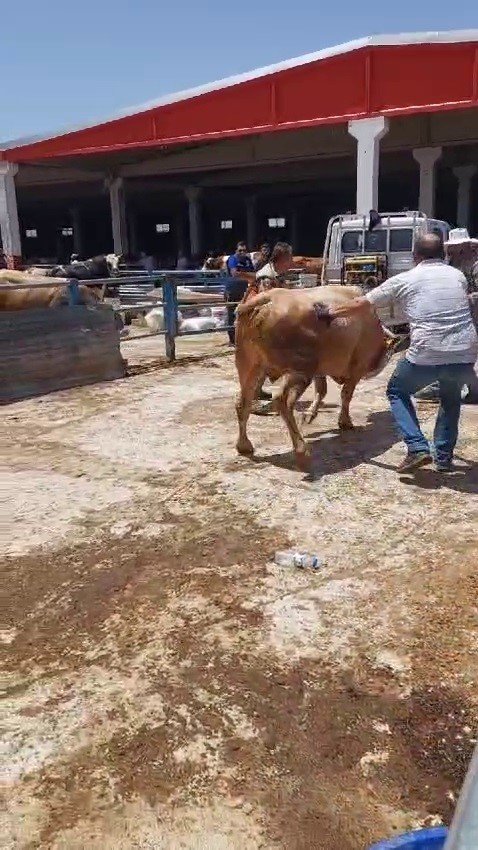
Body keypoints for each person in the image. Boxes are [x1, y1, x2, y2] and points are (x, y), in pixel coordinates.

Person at [329, 233, 478, 473]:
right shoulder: (457, 275)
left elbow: (361, 304)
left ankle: (417, 446)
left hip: (428, 350)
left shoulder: (406, 278)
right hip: (465, 349)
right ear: (442, 254)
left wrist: (329, 312)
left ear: (415, 256)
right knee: (451, 400)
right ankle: (443, 458)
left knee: (397, 391)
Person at [224, 241, 254, 345]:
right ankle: (232, 340)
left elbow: (254, 274)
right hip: (232, 290)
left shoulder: (248, 260)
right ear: (236, 250)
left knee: (245, 312)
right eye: (240, 250)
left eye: (244, 250)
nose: (242, 252)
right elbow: (234, 273)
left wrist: (242, 273)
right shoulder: (232, 259)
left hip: (245, 291)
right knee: (232, 313)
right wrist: (247, 275)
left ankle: (243, 337)